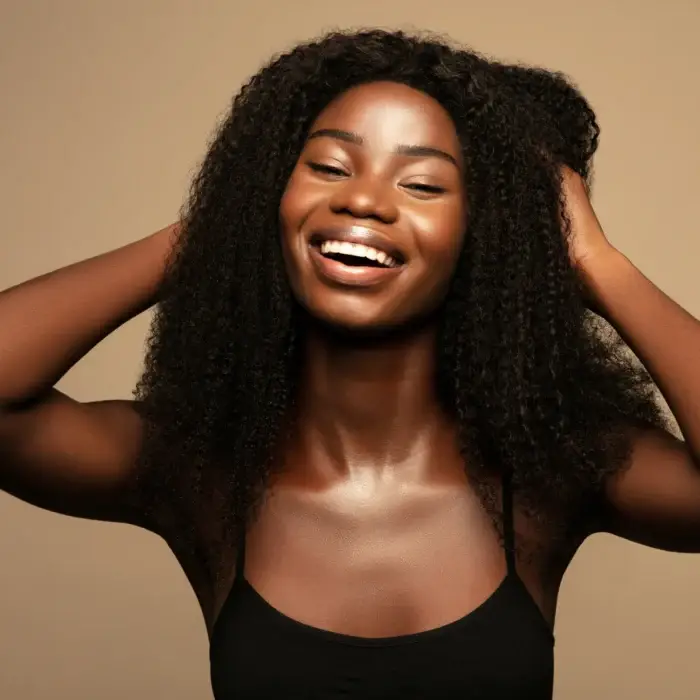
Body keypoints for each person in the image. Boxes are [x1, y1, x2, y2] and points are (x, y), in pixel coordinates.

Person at [1, 28, 698, 699]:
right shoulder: (200, 467)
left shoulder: (552, 468)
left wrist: (598, 265)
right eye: (328, 168)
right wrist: (227, 221)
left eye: (422, 185)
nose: (362, 200)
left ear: (484, 236)